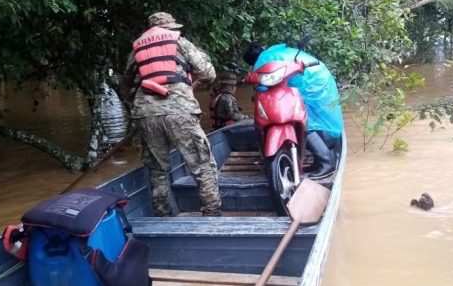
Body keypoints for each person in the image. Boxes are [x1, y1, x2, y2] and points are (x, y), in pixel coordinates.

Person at [126, 12, 221, 216]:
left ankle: (163, 215)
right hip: (180, 110)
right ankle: (212, 213)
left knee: (157, 170)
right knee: (202, 164)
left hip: (146, 113)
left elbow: (126, 83)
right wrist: (193, 85)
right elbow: (208, 73)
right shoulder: (181, 42)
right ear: (169, 27)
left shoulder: (137, 48)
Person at [243, 42, 343, 178]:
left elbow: (264, 91)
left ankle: (326, 163)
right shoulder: (275, 52)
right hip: (319, 75)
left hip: (308, 80)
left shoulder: (262, 62)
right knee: (315, 117)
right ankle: (321, 157)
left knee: (303, 118)